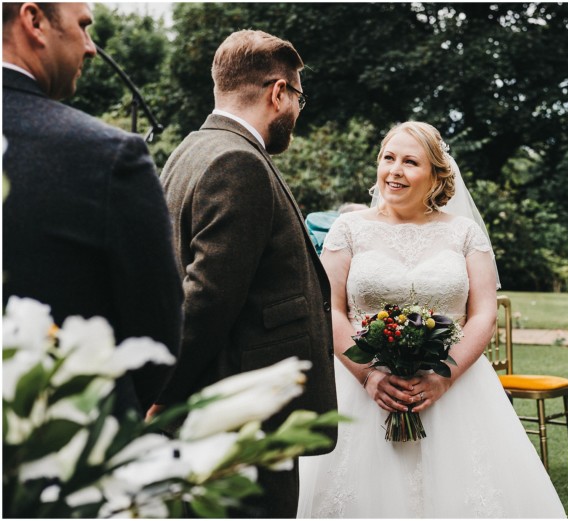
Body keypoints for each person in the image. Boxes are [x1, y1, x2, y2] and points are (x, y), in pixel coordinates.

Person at [297, 121, 565, 518]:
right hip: (362, 387)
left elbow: (483, 313)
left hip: (454, 389)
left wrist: (444, 376)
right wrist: (369, 376)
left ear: (437, 175)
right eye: (388, 158)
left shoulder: (464, 232)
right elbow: (329, 308)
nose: (395, 170)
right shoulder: (348, 229)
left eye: (410, 162)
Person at [150, 30, 337, 518]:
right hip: (244, 411)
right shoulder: (240, 162)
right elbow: (207, 298)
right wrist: (161, 393)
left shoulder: (189, 150)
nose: (297, 110)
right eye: (298, 97)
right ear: (279, 93)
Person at [2, 2, 182, 415]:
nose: (91, 48)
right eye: (83, 27)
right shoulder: (109, 156)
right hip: (66, 444)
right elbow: (156, 336)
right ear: (34, 21)